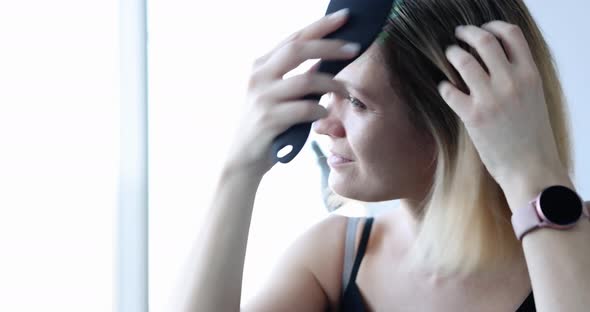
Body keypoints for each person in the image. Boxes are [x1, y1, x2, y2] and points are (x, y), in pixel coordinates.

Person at [175, 1, 590, 311]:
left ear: (457, 120)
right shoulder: (333, 259)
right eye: (327, 92)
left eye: (354, 101)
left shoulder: (576, 250)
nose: (323, 124)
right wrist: (238, 173)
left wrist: (531, 173)